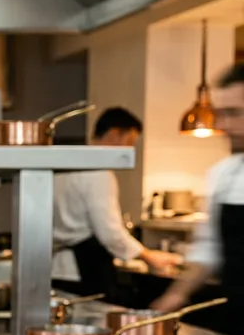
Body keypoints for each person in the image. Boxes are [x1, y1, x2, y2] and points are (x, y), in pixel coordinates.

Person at [52, 108, 182, 296]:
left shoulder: (65, 168)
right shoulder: (98, 172)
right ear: (114, 134)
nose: (129, 151)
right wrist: (148, 256)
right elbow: (109, 232)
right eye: (129, 142)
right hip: (84, 270)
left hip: (57, 268)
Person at [154, 63, 244, 320]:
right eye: (221, 114)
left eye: (234, 113)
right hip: (237, 319)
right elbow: (209, 248)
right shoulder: (222, 174)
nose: (224, 125)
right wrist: (175, 295)